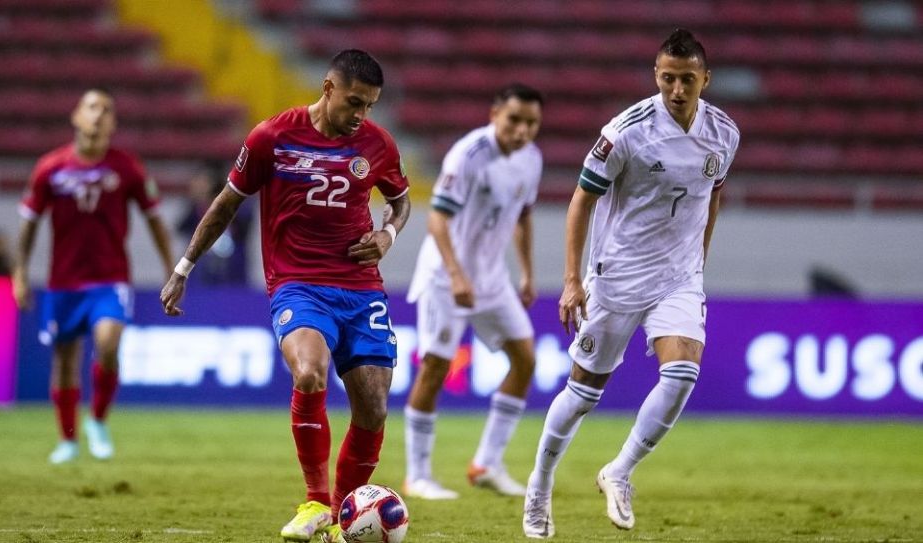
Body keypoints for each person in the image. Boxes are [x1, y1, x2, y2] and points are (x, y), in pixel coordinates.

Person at [160, 49, 410, 543]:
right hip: (298, 283)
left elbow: (400, 202)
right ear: (328, 88)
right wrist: (184, 267)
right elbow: (225, 204)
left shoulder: (378, 144)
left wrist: (387, 236)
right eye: (354, 102)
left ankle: (343, 519)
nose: (360, 115)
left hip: (361, 289)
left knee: (374, 408)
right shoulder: (271, 136)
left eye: (370, 106)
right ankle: (316, 502)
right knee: (310, 372)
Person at [522, 29, 740, 538]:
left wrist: (698, 264)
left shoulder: (725, 132)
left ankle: (619, 471)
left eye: (688, 79)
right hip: (618, 275)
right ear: (656, 77)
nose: (677, 89)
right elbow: (581, 200)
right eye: (668, 78)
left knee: (683, 371)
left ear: (705, 79)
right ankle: (539, 485)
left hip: (679, 276)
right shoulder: (625, 132)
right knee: (583, 392)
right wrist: (572, 280)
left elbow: (712, 196)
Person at [12, 88, 175, 465]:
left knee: (107, 343)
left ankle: (98, 420)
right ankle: (67, 440)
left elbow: (155, 222)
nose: (99, 114)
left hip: (110, 278)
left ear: (114, 123)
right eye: (92, 107)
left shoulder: (127, 167)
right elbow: (29, 226)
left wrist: (172, 268)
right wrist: (19, 273)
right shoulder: (51, 167)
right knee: (65, 360)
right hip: (63, 281)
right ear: (76, 117)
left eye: (107, 109)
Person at [402, 84, 544, 500]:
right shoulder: (469, 156)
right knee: (435, 368)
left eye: (531, 123)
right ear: (495, 113)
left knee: (525, 358)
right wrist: (456, 274)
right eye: (514, 120)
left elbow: (524, 217)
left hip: (492, 277)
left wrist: (528, 274)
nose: (521, 130)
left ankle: (487, 462)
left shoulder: (531, 159)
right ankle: (418, 474)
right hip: (447, 277)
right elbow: (437, 220)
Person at [175, 164, 254, 285]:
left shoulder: (236, 207)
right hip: (200, 276)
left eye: (202, 182)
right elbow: (180, 228)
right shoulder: (194, 210)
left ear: (212, 183)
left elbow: (245, 227)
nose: (196, 186)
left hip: (233, 276)